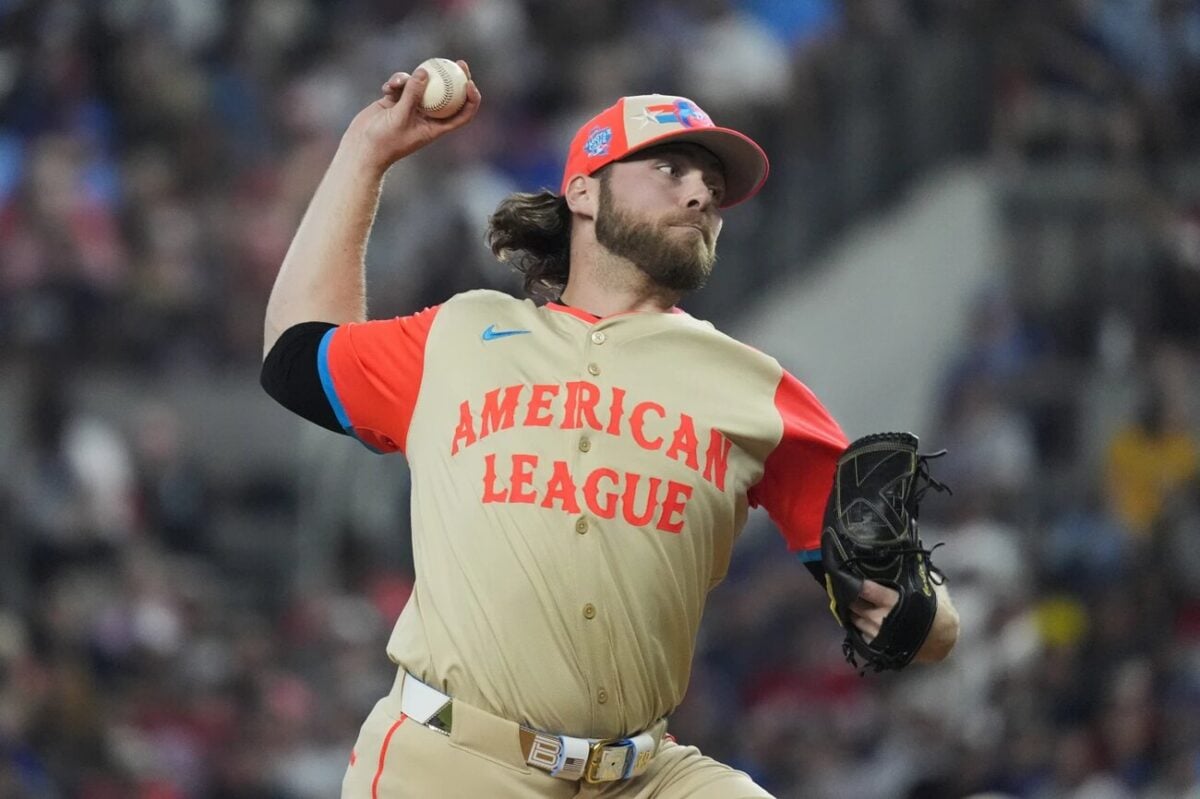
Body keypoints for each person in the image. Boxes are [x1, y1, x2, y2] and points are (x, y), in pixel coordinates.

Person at [260, 61, 960, 799]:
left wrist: (916, 611)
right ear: (584, 191)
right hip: (452, 761)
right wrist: (365, 153)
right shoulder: (464, 333)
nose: (701, 194)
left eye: (714, 190)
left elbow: (917, 608)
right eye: (671, 169)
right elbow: (293, 354)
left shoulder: (753, 387)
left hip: (642, 775)